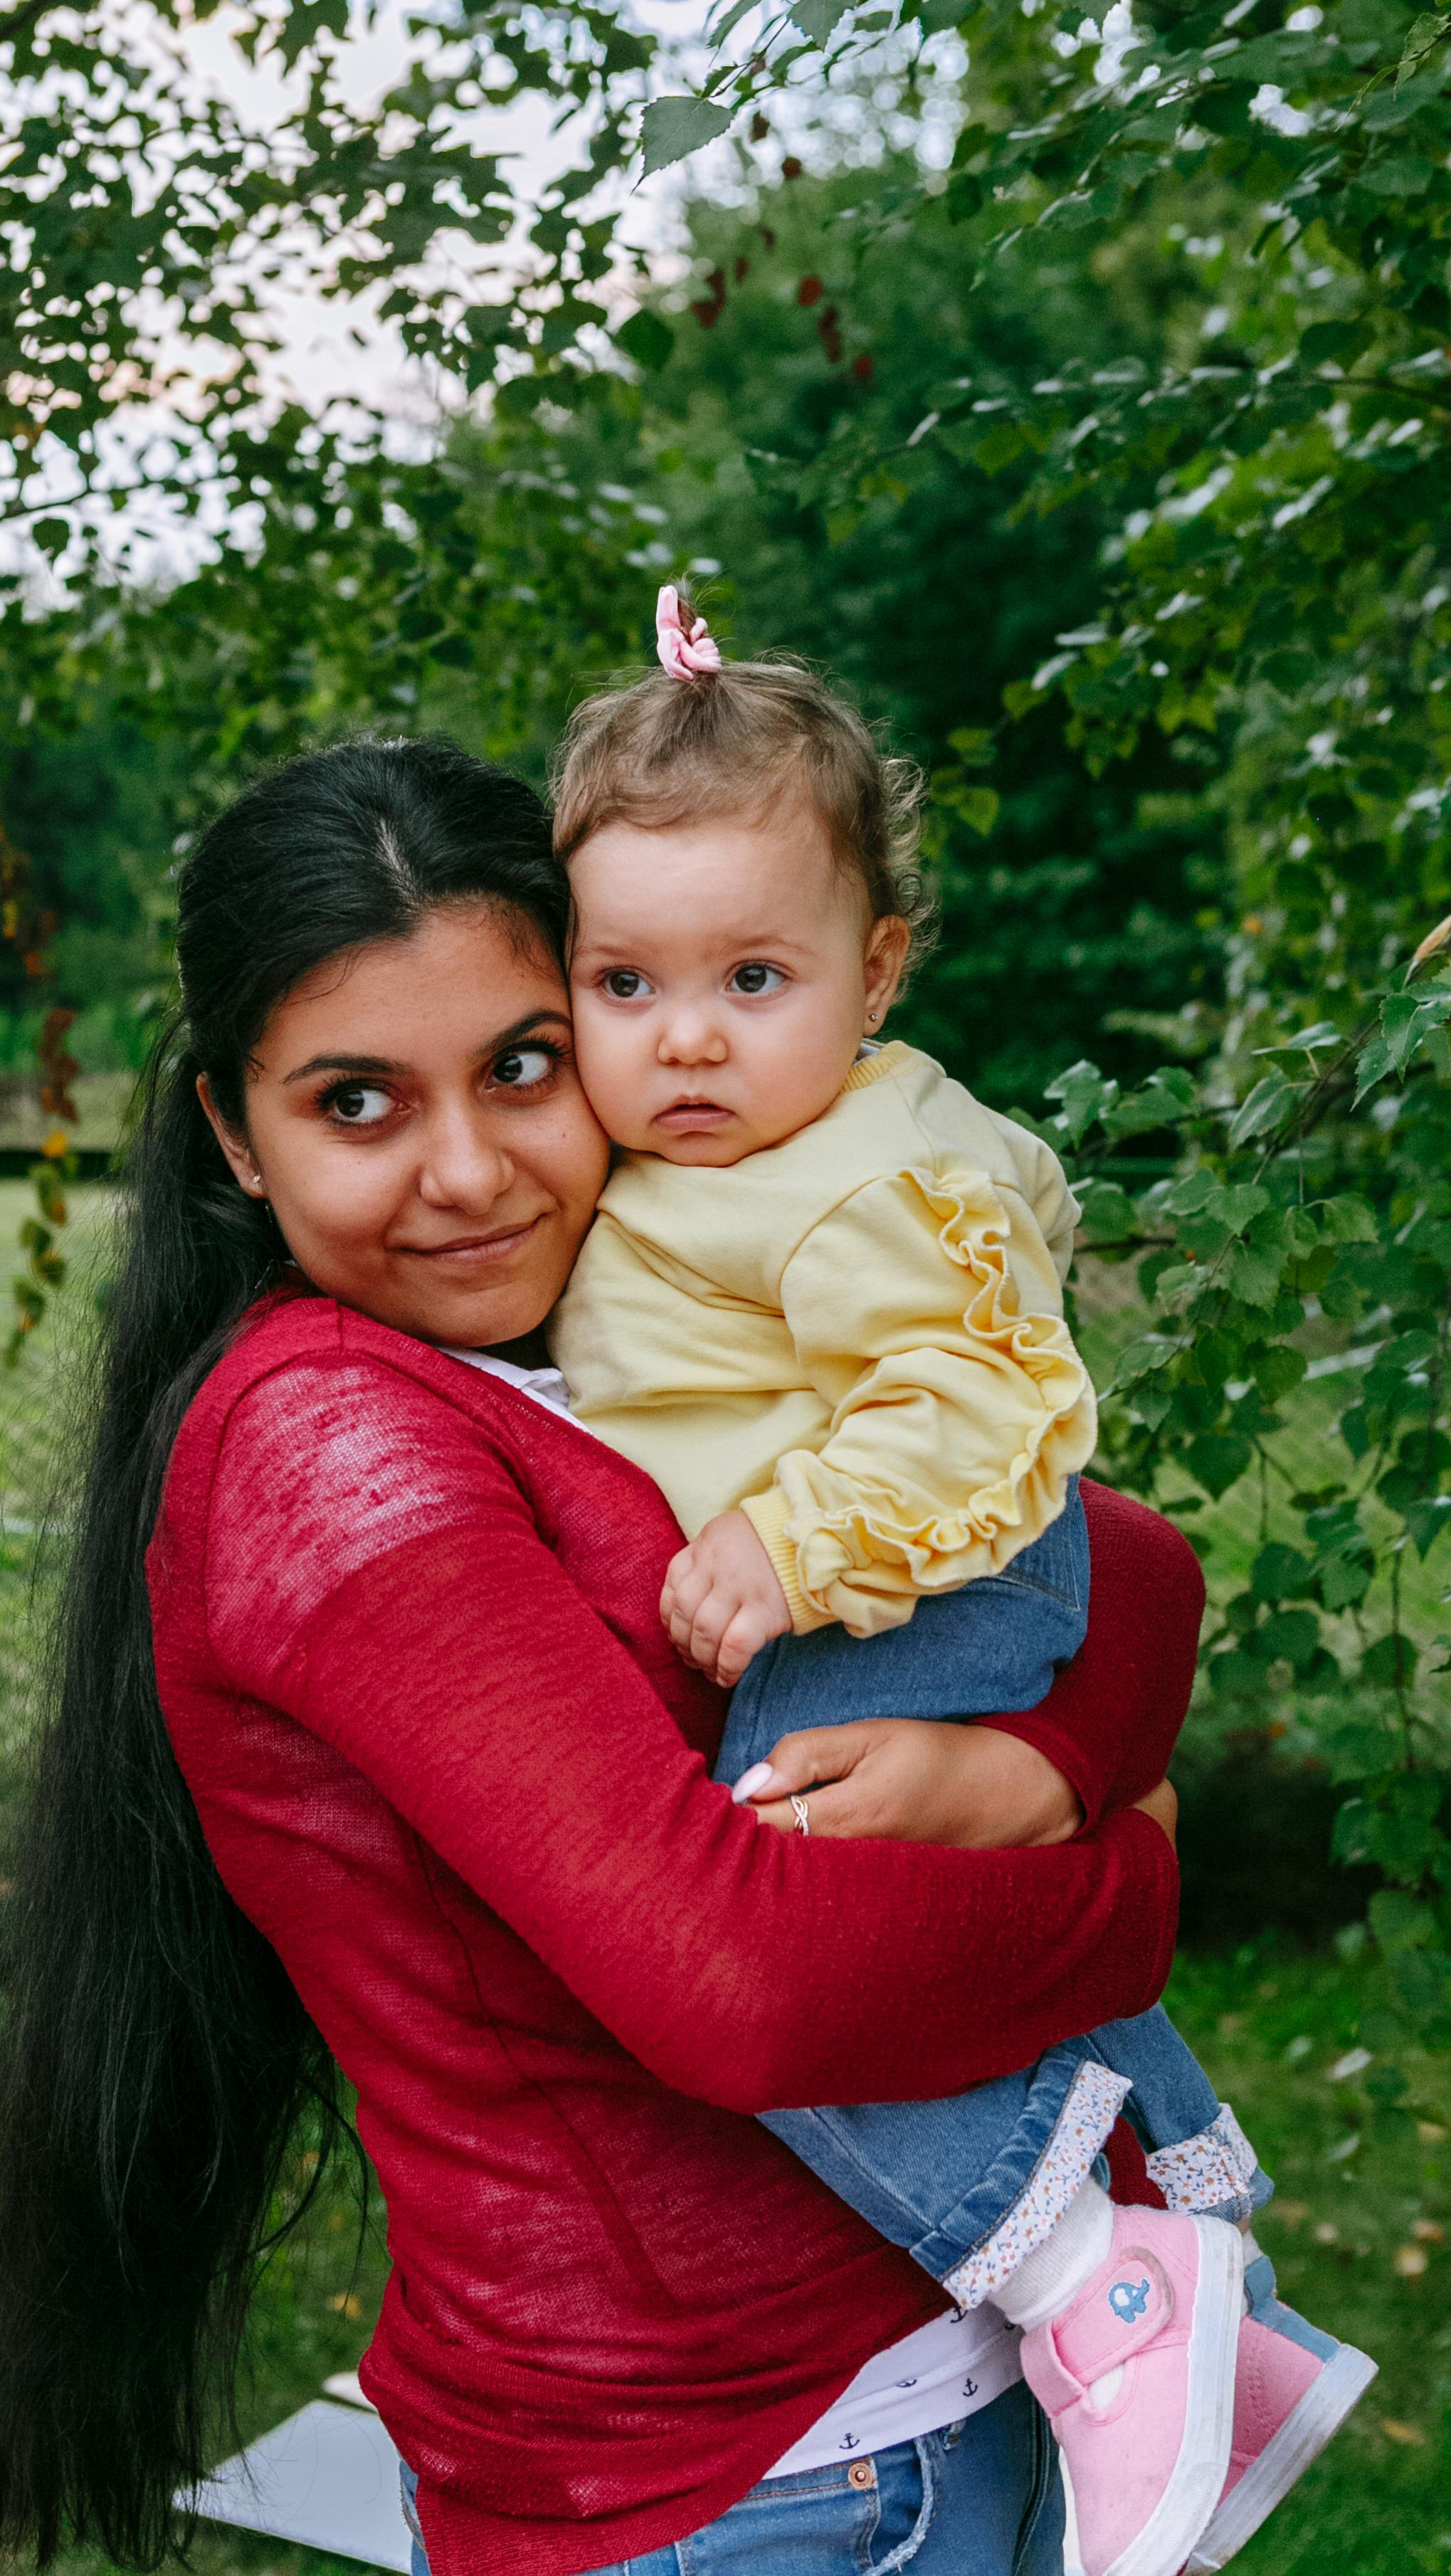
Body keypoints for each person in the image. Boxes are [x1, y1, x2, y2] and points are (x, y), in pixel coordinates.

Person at [0, 737, 1218, 2576]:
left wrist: (1018, 1774)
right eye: (357, 1103)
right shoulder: (333, 1442)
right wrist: (1138, 1866)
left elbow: (1135, 1565)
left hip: (944, 2395)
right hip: (740, 2486)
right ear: (232, 1129)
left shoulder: (614, 1339)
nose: (468, 1173)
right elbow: (740, 1983)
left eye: (524, 1066)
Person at [547, 591, 1373, 2576]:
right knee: (881, 1945)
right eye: (625, 982)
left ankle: (1097, 2278)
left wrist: (785, 1540)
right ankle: (1206, 2294)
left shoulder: (855, 1164)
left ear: (878, 967)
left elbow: (987, 1388)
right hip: (888, 1590)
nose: (685, 1038)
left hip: (908, 1588)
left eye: (754, 975)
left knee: (770, 1961)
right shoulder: (701, 1152)